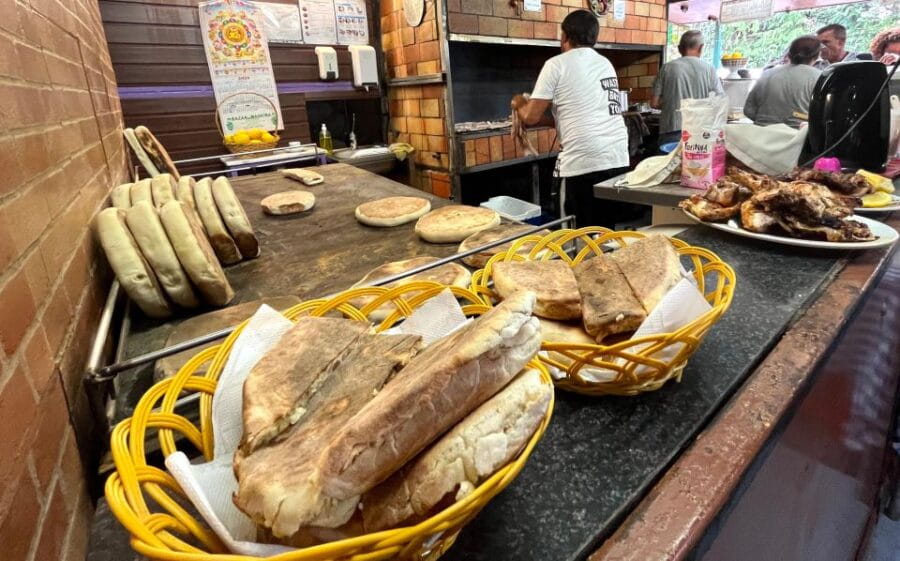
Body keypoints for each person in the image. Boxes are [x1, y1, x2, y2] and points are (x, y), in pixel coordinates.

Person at [511, 10, 629, 229]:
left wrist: (518, 102)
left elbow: (530, 116)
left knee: (574, 235)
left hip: (581, 163)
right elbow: (576, 115)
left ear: (564, 35)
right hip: (616, 159)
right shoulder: (605, 64)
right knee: (604, 232)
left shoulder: (556, 64)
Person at [651, 31, 723, 147]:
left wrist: (673, 104)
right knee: (697, 159)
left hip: (672, 129)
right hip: (700, 131)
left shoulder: (666, 68)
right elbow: (719, 102)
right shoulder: (709, 69)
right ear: (701, 48)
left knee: (670, 159)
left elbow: (654, 103)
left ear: (679, 48)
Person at [744, 36, 822, 128]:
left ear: (789, 54)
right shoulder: (820, 77)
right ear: (817, 55)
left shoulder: (767, 74)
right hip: (798, 134)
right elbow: (825, 116)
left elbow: (748, 111)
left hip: (764, 133)